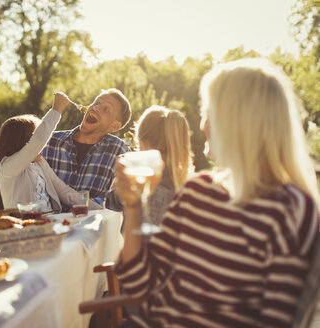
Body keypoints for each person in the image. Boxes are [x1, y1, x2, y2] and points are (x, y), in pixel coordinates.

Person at [113, 58, 320, 328]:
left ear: (239, 120)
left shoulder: (290, 211)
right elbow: (138, 281)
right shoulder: (197, 191)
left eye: (209, 111)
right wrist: (132, 207)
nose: (202, 125)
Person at [0, 92, 102, 212]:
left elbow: (65, 192)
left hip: (48, 223)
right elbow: (38, 141)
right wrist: (56, 110)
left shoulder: (40, 164)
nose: (44, 145)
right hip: (24, 227)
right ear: (23, 142)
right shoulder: (7, 167)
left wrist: (101, 210)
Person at [105, 106, 194, 226]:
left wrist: (122, 175)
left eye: (138, 147)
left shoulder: (142, 186)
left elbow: (110, 204)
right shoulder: (187, 185)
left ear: (145, 146)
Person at [42, 88, 132, 205]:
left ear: (114, 126)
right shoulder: (49, 141)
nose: (95, 108)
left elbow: (114, 202)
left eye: (106, 109)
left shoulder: (120, 152)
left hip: (90, 222)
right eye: (97, 103)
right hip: (48, 222)